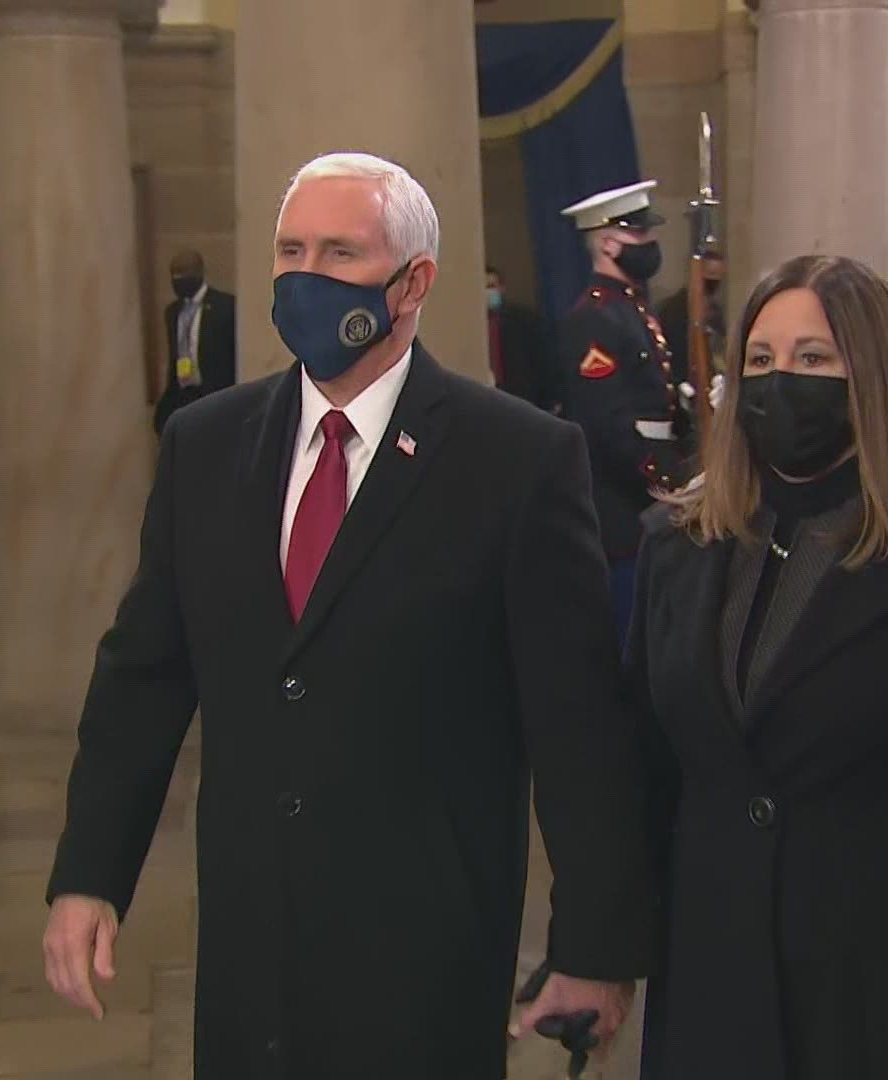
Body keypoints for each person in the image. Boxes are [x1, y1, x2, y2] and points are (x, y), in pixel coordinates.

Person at [41, 152, 655, 1080]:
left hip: (425, 955)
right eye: (291, 250)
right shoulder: (205, 448)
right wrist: (90, 875)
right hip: (252, 955)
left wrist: (596, 949)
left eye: (340, 252)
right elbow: (141, 682)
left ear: (414, 283)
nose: (306, 277)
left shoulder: (516, 463)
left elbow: (578, 731)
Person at [631, 254, 888, 1080]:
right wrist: (602, 950)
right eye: (760, 360)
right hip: (713, 984)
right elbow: (642, 770)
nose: (780, 380)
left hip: (877, 992)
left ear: (873, 377)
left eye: (813, 359)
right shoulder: (679, 544)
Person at [554, 179, 693, 643]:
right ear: (609, 242)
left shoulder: (631, 310)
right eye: (638, 234)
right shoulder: (594, 317)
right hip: (626, 505)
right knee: (635, 631)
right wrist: (665, 482)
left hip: (651, 496)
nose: (650, 243)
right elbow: (608, 423)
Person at [152, 250, 237, 435]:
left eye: (183, 273)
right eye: (174, 274)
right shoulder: (173, 312)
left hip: (215, 394)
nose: (178, 279)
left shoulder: (225, 307)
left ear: (199, 272)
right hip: (183, 394)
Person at [655, 247, 727, 389]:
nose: (713, 280)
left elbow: (719, 351)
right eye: (710, 273)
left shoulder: (715, 312)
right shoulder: (672, 310)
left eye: (718, 275)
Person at [485, 264, 548, 407]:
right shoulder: (473, 324)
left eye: (491, 286)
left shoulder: (523, 320)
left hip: (522, 396)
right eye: (483, 287)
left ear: (501, 288)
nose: (487, 292)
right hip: (488, 396)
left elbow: (541, 359)